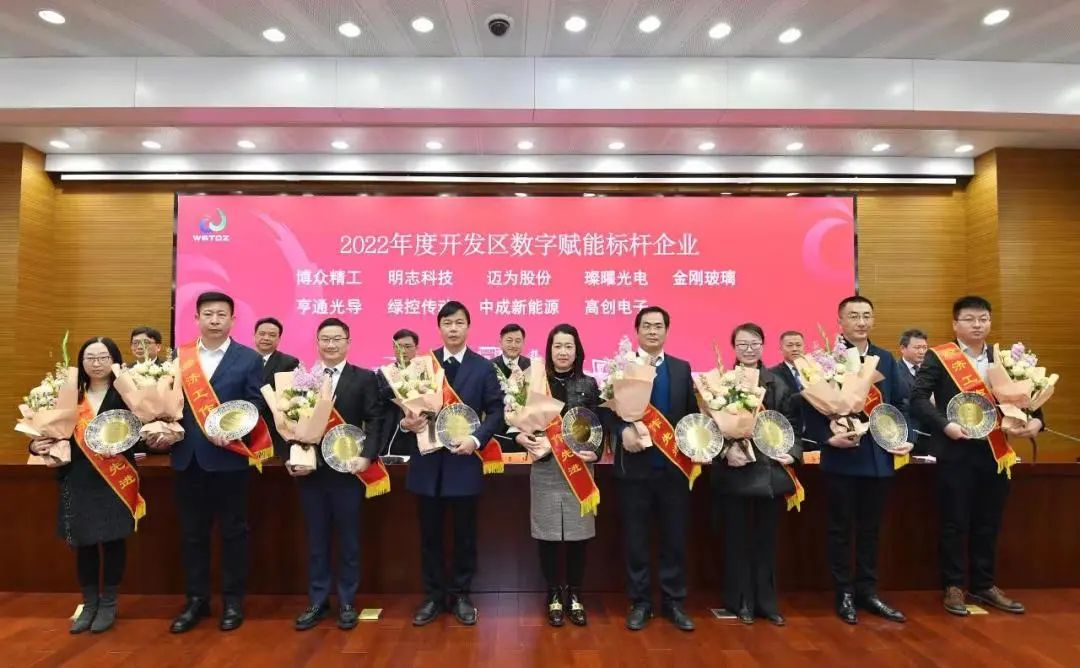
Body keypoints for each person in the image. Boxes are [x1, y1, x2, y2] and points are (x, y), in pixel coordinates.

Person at [911, 296, 1042, 617]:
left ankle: (984, 585)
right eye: (969, 319)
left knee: (988, 522)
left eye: (983, 319)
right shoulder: (940, 357)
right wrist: (945, 425)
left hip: (995, 452)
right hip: (955, 451)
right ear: (955, 324)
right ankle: (954, 586)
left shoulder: (1004, 358)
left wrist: (1037, 421)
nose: (977, 325)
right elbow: (918, 399)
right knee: (954, 522)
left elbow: (1029, 399)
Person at [151, 291, 269, 634]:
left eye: (221, 314)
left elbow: (256, 404)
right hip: (188, 459)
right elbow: (165, 403)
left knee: (234, 533)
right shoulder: (179, 358)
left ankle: (233, 601)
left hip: (229, 460)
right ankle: (196, 600)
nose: (214, 320)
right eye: (208, 314)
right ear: (197, 318)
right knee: (192, 535)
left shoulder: (249, 359)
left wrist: (234, 429)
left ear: (233, 320)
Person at [803, 296, 912, 625]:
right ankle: (844, 592)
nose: (861, 322)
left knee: (871, 530)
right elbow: (810, 408)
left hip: (878, 457)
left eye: (866, 315)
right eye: (854, 316)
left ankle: (868, 590)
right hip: (842, 457)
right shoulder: (826, 359)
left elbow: (900, 402)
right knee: (840, 529)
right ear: (840, 321)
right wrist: (827, 438)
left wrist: (905, 436)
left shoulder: (886, 358)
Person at [394, 301, 503, 627]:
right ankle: (433, 596)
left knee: (464, 537)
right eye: (447, 323)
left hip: (464, 463)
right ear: (439, 328)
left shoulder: (483, 368)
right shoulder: (422, 366)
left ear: (468, 327)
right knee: (429, 537)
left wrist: (477, 439)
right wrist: (406, 424)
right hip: (427, 466)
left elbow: (496, 411)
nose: (453, 329)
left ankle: (461, 595)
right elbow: (407, 411)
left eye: (459, 323)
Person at [29, 337, 144, 635]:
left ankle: (109, 603)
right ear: (81, 362)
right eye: (90, 357)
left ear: (114, 360)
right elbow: (50, 432)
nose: (96, 363)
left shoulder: (128, 393)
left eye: (103, 357)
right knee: (84, 542)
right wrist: (36, 444)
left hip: (115, 476)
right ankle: (90, 603)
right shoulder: (68, 395)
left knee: (114, 540)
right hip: (77, 476)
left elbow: (146, 428)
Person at [603, 306, 698, 632]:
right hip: (635, 470)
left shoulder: (681, 368)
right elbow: (606, 411)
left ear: (667, 331)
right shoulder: (622, 366)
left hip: (673, 470)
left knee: (674, 539)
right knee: (636, 540)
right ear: (637, 330)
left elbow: (690, 414)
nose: (653, 331)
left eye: (659, 326)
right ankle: (640, 602)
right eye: (647, 326)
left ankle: (673, 602)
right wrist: (622, 431)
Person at [289, 318, 383, 632]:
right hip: (311, 474)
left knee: (348, 541)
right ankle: (317, 601)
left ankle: (346, 601)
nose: (331, 345)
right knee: (316, 540)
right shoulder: (303, 379)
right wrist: (294, 457)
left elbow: (375, 420)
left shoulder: (364, 378)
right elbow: (290, 421)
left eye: (337, 339)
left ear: (348, 342)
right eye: (325, 339)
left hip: (348, 473)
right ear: (317, 342)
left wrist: (367, 456)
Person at [712, 323, 802, 627]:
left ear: (763, 346)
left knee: (766, 541)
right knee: (736, 540)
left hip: (770, 473)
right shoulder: (721, 383)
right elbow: (711, 427)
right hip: (735, 472)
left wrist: (793, 453)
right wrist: (726, 451)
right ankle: (741, 601)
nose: (749, 349)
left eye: (754, 344)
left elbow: (793, 424)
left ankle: (767, 602)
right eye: (742, 344)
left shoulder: (778, 382)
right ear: (734, 348)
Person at [513, 324, 601, 627]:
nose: (563, 352)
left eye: (568, 346)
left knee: (578, 536)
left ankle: (575, 594)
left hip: (578, 468)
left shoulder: (589, 384)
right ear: (549, 351)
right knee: (547, 535)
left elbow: (599, 426)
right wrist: (519, 436)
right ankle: (552, 594)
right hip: (545, 467)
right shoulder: (535, 384)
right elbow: (514, 423)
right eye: (557, 346)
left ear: (577, 351)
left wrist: (596, 451)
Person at [376, 328, 419, 456]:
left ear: (416, 348)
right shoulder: (384, 374)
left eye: (408, 346)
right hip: (393, 431)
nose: (403, 351)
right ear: (394, 348)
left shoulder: (426, 372)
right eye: (399, 347)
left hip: (421, 432)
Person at [492, 324, 530, 454]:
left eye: (518, 341)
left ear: (523, 343)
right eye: (509, 340)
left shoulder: (531, 367)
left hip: (525, 433)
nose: (513, 345)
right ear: (500, 342)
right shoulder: (489, 367)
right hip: (496, 433)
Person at [768, 330, 809, 447]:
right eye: (790, 345)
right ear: (781, 349)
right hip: (790, 433)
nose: (795, 349)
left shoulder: (816, 370)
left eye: (798, 345)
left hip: (815, 432)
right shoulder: (772, 375)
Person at [896, 329, 929, 454]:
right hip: (908, 434)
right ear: (903, 348)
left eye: (924, 348)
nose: (922, 351)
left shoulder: (930, 370)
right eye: (917, 347)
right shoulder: (895, 371)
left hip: (931, 435)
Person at [255, 317, 299, 386]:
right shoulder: (242, 358)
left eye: (272, 335)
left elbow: (287, 390)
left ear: (279, 339)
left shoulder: (289, 363)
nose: (266, 338)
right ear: (254, 336)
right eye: (262, 334)